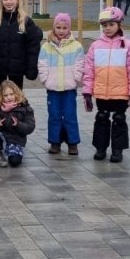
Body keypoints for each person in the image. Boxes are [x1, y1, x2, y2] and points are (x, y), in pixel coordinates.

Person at [82, 6, 130, 163]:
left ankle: (117, 149)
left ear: (119, 24)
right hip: (101, 91)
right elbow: (89, 70)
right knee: (101, 117)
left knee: (119, 119)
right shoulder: (96, 46)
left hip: (120, 92)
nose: (108, 28)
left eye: (111, 24)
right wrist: (87, 92)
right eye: (104, 25)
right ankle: (100, 147)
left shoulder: (127, 45)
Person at [38, 13, 85, 156]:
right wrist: (45, 79)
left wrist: (77, 78)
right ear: (54, 27)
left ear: (69, 28)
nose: (61, 30)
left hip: (69, 88)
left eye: (65, 28)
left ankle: (72, 143)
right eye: (58, 27)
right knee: (54, 116)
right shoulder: (47, 46)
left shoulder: (76, 46)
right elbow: (42, 64)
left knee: (70, 115)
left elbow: (80, 63)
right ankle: (55, 142)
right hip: (53, 88)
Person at [0, 0, 42, 93]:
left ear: (17, 0)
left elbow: (33, 47)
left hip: (17, 70)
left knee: (17, 98)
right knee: (0, 97)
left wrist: (31, 69)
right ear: (2, 2)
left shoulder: (26, 22)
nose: (8, 2)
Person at [0, 79, 35, 168]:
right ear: (1, 96)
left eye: (11, 94)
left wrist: (18, 124)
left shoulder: (24, 108)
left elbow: (30, 127)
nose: (9, 97)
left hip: (16, 140)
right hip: (2, 137)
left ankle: (13, 152)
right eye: (5, 95)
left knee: (14, 162)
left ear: (16, 93)